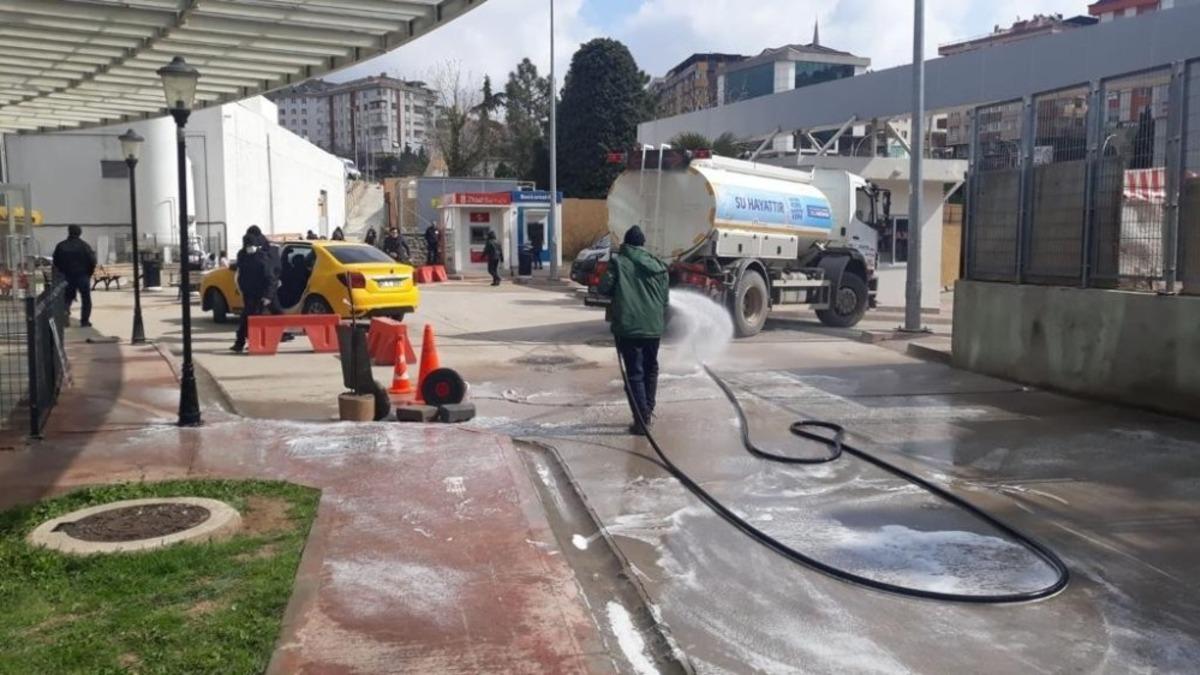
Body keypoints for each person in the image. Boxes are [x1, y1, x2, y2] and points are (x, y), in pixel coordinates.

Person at [597, 226, 669, 436]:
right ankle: (648, 410)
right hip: (654, 328)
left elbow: (603, 288)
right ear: (643, 244)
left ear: (626, 244)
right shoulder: (659, 266)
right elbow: (665, 300)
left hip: (628, 327)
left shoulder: (618, 262)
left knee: (635, 374)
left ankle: (641, 419)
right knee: (651, 368)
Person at [230, 234, 274, 353]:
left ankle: (253, 342)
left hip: (260, 294)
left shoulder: (262, 258)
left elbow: (269, 278)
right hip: (247, 293)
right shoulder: (243, 255)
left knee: (255, 320)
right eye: (247, 245)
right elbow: (239, 271)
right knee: (245, 318)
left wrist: (268, 295)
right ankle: (240, 342)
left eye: (251, 245)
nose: (249, 248)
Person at [53, 225, 97, 327]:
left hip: (66, 276)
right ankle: (84, 321)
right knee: (86, 299)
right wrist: (88, 273)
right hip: (82, 276)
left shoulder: (61, 246)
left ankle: (65, 316)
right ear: (79, 233)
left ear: (69, 232)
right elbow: (92, 261)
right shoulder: (85, 246)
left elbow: (56, 262)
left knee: (66, 298)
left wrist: (61, 272)